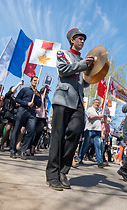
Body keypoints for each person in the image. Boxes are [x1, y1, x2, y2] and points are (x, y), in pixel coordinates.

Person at [45, 28, 94, 191]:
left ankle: (63, 171)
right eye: (79, 38)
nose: (82, 41)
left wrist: (91, 72)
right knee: (57, 137)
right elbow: (63, 70)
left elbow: (84, 83)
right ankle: (53, 174)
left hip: (78, 101)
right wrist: (82, 65)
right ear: (72, 40)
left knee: (75, 132)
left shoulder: (82, 61)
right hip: (63, 98)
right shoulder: (62, 54)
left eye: (83, 39)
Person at [10, 76, 42, 159]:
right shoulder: (25, 90)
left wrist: (36, 96)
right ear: (31, 81)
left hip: (32, 113)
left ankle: (23, 150)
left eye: (37, 81)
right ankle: (13, 150)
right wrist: (26, 103)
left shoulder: (38, 93)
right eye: (34, 80)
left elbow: (39, 104)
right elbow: (17, 99)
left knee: (31, 131)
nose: (36, 82)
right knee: (17, 129)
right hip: (22, 110)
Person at [78, 99, 108, 168]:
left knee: (98, 146)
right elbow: (91, 117)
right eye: (96, 103)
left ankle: (100, 162)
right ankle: (80, 158)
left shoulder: (100, 111)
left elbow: (102, 121)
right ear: (93, 103)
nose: (97, 104)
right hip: (90, 130)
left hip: (98, 130)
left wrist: (104, 118)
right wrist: (99, 116)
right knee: (86, 145)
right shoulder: (90, 109)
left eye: (98, 103)